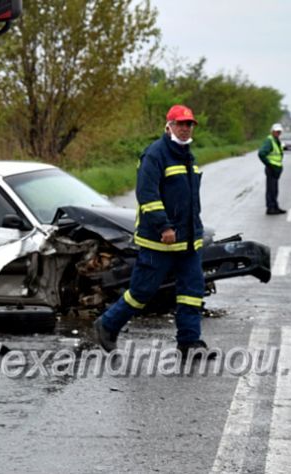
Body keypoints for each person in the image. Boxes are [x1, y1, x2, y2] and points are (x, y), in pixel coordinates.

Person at [92, 104, 212, 358]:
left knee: (192, 291)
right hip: (160, 241)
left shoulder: (188, 155)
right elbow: (147, 195)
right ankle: (107, 324)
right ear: (168, 126)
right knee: (142, 292)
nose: (185, 128)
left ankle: (189, 343)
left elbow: (189, 200)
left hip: (188, 241)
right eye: (180, 124)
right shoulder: (155, 154)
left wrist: (195, 232)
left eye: (189, 124)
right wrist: (164, 226)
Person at [258, 123, 286, 215]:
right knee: (271, 190)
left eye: (279, 132)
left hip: (276, 169)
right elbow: (261, 153)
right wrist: (269, 165)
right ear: (272, 131)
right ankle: (270, 208)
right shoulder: (270, 141)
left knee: (275, 190)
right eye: (276, 131)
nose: (278, 133)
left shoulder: (276, 140)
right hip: (271, 169)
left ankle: (275, 207)